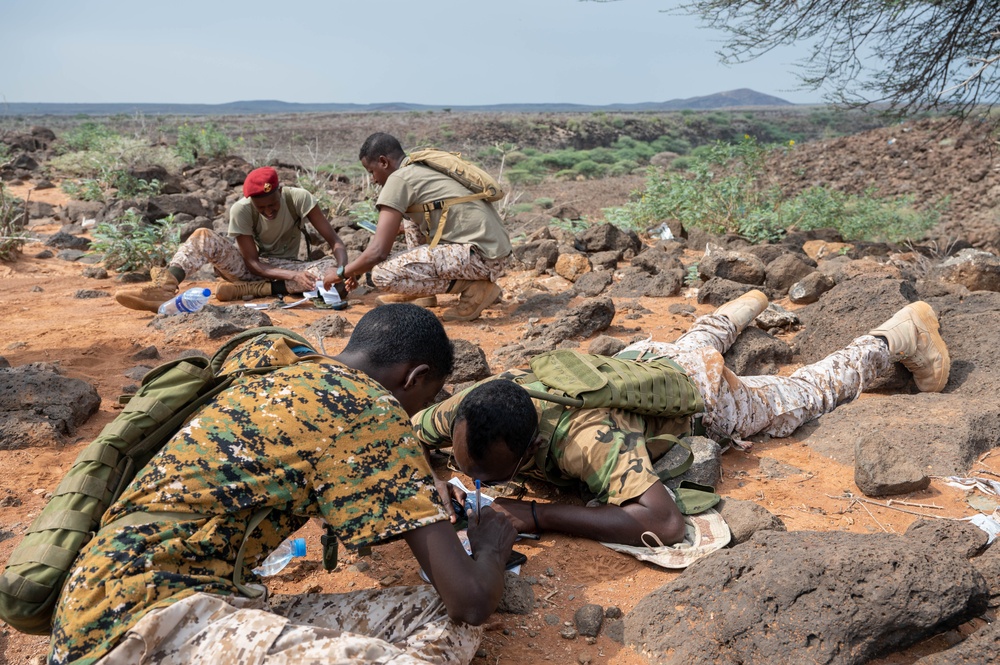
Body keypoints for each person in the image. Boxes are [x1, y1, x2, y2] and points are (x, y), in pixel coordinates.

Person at [49, 304, 517, 665]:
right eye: (423, 399)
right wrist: (492, 546)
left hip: (111, 597)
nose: (410, 416)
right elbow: (471, 601)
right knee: (454, 622)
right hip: (136, 626)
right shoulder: (367, 409)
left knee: (432, 612)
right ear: (414, 377)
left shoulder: (276, 367)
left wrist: (418, 487)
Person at [411, 291, 950, 547]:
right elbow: (407, 438)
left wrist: (533, 514)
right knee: (687, 348)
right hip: (639, 365)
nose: (475, 481)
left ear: (530, 447)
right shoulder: (473, 406)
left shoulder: (586, 439)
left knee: (798, 396)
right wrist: (439, 482)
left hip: (697, 395)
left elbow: (663, 522)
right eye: (469, 470)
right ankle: (727, 318)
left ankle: (897, 335)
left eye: (489, 476)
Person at [323, 132, 512, 322]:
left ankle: (475, 289)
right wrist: (357, 268)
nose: (373, 179)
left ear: (383, 162)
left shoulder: (399, 179)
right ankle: (422, 293)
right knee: (409, 218)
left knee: (382, 274)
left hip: (483, 258)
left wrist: (343, 272)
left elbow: (379, 252)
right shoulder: (417, 169)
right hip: (491, 250)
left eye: (371, 171)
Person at [115, 166, 350, 312]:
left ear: (280, 190)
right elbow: (253, 263)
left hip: (286, 264)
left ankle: (242, 291)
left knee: (329, 275)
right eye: (261, 207)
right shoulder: (242, 210)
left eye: (273, 204)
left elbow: (335, 241)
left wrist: (341, 271)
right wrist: (293, 276)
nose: (268, 211)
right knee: (202, 236)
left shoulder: (299, 198)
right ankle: (164, 289)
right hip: (253, 267)